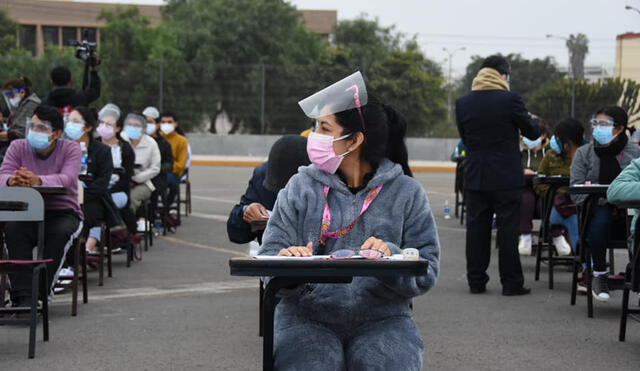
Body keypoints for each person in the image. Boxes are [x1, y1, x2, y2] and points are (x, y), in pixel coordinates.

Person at [259, 72, 439, 370]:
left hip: (384, 320)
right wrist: (285, 260)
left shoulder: (406, 192)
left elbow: (427, 268)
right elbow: (268, 258)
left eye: (324, 128)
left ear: (354, 140)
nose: (313, 136)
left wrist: (392, 256)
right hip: (306, 319)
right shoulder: (299, 187)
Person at [456, 55, 542, 295]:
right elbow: (532, 132)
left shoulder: (463, 103)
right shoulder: (511, 100)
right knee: (507, 229)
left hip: (475, 175)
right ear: (503, 75)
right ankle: (511, 283)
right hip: (506, 177)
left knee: (477, 230)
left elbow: (465, 136)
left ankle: (476, 281)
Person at [0, 105, 83, 306]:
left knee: (59, 234)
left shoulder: (71, 148)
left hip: (62, 212)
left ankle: (40, 295)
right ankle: (22, 297)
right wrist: (13, 180)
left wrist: (37, 180)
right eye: (33, 126)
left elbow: (67, 179)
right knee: (13, 230)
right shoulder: (18, 146)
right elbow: (3, 174)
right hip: (25, 211)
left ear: (57, 134)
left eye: (42, 128)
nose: (35, 131)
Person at [570, 106, 640, 301]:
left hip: (631, 210)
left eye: (603, 124)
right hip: (598, 208)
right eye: (596, 123)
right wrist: (596, 194)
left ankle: (635, 271)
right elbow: (575, 190)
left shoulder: (635, 153)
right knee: (601, 218)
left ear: (619, 128)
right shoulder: (584, 153)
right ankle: (599, 274)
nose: (597, 128)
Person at [227, 135, 310, 246]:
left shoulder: (325, 180)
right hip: (272, 257)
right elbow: (236, 234)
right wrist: (247, 214)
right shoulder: (262, 176)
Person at [63, 107, 115, 255]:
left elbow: (102, 183)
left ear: (88, 127)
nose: (70, 125)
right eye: (69, 121)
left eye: (75, 121)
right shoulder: (62, 148)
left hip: (92, 200)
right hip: (66, 197)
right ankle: (64, 260)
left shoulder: (102, 151)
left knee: (82, 215)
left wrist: (82, 196)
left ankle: (75, 260)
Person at [533, 119, 585, 256]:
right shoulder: (551, 156)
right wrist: (555, 192)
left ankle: (582, 260)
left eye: (558, 138)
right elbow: (539, 182)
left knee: (576, 219)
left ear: (567, 142)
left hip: (580, 204)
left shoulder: (587, 156)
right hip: (555, 203)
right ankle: (584, 263)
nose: (554, 141)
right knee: (571, 218)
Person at [95, 104, 136, 236]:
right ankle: (94, 242)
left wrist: (106, 191)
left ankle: (107, 237)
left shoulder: (125, 149)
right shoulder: (93, 145)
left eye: (109, 124)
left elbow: (125, 179)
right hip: (95, 190)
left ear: (118, 128)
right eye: (102, 123)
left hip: (117, 190)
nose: (103, 126)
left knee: (103, 203)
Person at [122, 113, 161, 231]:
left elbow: (155, 168)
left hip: (143, 183)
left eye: (136, 125)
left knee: (131, 198)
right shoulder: (122, 139)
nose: (132, 127)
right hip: (122, 180)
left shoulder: (151, 143)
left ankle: (123, 230)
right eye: (130, 124)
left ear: (144, 128)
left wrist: (138, 178)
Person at [518, 126, 549, 255]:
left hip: (544, 189)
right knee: (526, 200)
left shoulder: (551, 152)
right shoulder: (518, 152)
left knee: (548, 201)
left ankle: (556, 235)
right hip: (525, 187)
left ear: (544, 136)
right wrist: (522, 171)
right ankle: (525, 236)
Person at [143, 106, 174, 213]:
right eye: (144, 122)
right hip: (138, 176)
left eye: (150, 122)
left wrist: (156, 168)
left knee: (154, 191)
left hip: (157, 178)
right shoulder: (136, 141)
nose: (146, 125)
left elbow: (170, 164)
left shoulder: (164, 144)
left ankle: (152, 219)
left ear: (157, 124)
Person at [159, 111, 189, 207]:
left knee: (171, 183)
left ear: (175, 124)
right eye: (163, 122)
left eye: (169, 122)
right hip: (156, 171)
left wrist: (166, 168)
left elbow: (181, 164)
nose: (166, 125)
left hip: (173, 172)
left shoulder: (182, 141)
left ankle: (165, 209)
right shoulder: (156, 138)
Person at [2, 76, 41, 141]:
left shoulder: (31, 104)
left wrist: (3, 135)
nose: (10, 99)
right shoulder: (21, 105)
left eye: (11, 95)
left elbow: (21, 132)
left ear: (22, 92)